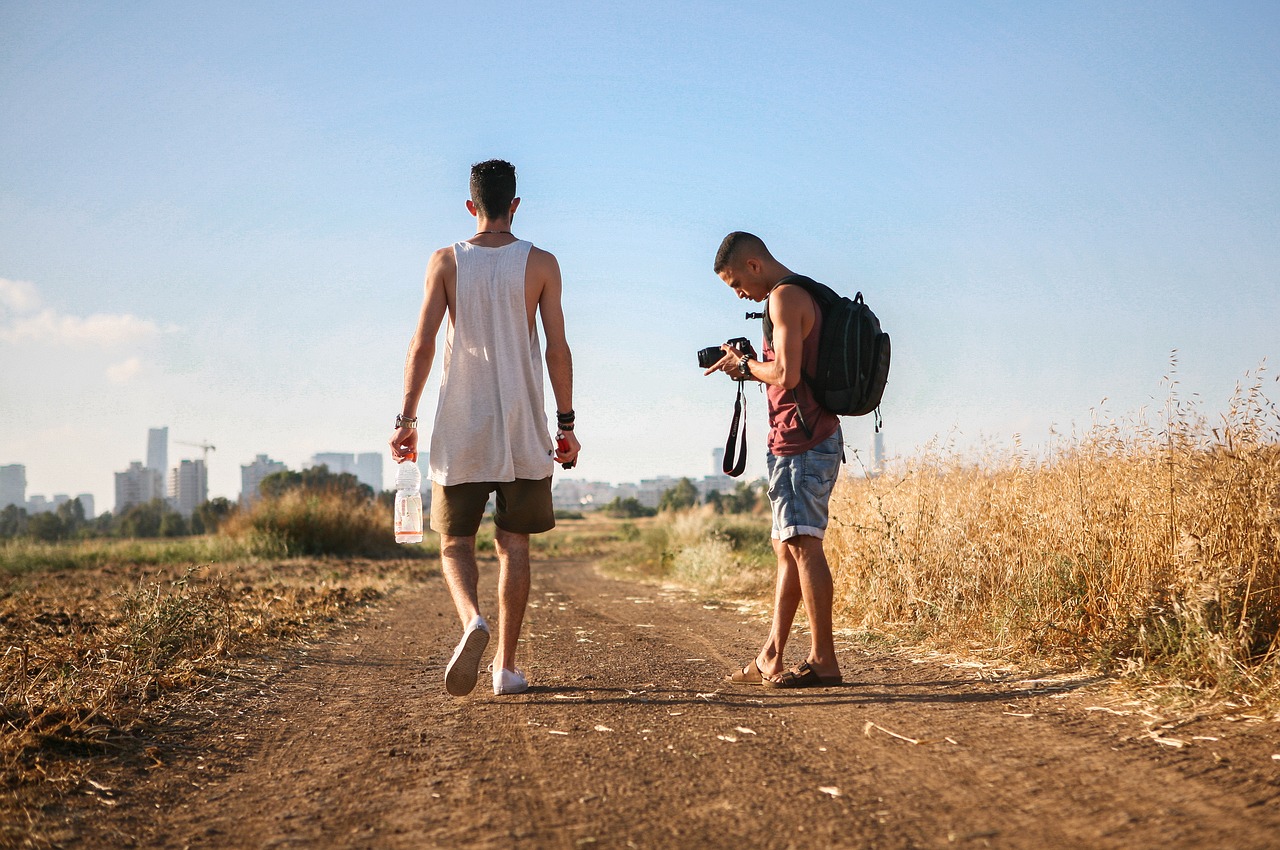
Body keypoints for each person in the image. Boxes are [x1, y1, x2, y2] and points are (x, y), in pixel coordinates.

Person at [390, 159, 580, 697]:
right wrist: (565, 423)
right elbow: (556, 348)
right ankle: (506, 668)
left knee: (453, 542)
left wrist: (407, 418)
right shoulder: (541, 263)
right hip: (523, 423)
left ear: (471, 206)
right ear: (515, 205)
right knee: (512, 544)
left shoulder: (446, 261)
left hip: (461, 423)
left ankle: (472, 619)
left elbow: (422, 343)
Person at [705, 231, 843, 689]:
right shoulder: (796, 294)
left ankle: (824, 661)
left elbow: (786, 372)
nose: (740, 294)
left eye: (736, 284)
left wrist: (743, 368)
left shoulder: (784, 298)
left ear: (754, 265)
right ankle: (771, 654)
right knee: (787, 548)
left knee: (803, 546)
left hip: (802, 443)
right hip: (798, 439)